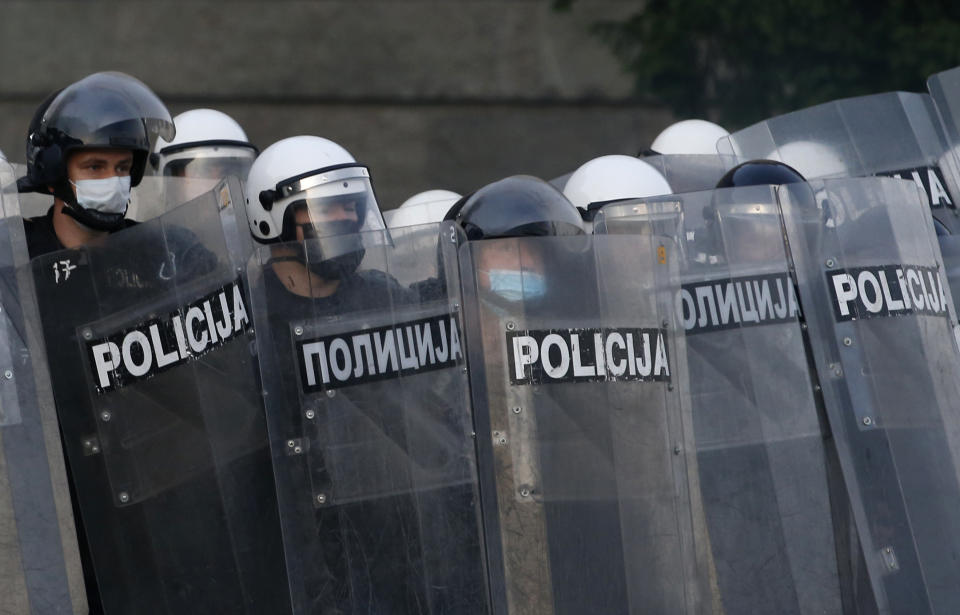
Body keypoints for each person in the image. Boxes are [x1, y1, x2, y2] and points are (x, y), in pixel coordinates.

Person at [20, 73, 174, 259]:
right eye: (95, 167)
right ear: (53, 173)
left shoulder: (163, 250)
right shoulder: (14, 253)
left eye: (122, 168)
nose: (113, 180)